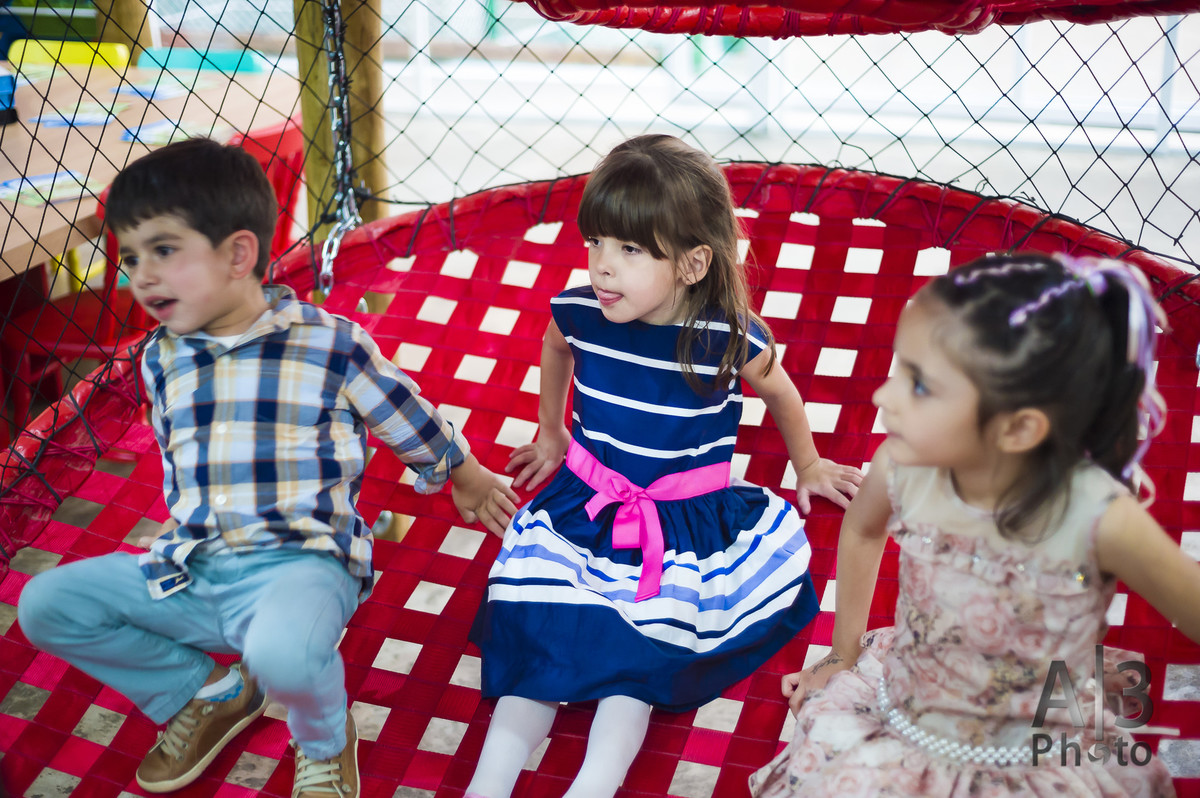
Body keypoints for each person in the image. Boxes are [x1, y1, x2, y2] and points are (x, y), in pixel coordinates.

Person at [17, 137, 519, 798]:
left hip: (301, 569)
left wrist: (464, 472)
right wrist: (178, 538)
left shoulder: (328, 344)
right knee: (45, 604)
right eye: (131, 256)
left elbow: (406, 414)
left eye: (164, 251)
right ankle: (206, 692)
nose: (141, 275)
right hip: (196, 571)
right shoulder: (161, 357)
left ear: (239, 253)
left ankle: (324, 740)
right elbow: (187, 463)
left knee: (282, 653)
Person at [465, 134, 864, 798]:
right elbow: (554, 345)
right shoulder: (582, 313)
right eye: (594, 243)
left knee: (637, 666)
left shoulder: (726, 338)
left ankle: (594, 784)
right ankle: (490, 781)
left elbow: (783, 394)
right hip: (583, 510)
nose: (601, 267)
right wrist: (552, 431)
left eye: (628, 250)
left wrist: (811, 464)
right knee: (540, 640)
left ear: (691, 263)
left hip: (679, 530)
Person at [750, 252, 1200, 797]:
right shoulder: (904, 467)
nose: (884, 397)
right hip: (903, 723)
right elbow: (864, 530)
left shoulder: (1096, 516)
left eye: (919, 385)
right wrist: (844, 653)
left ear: (1017, 428)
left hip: (1032, 757)